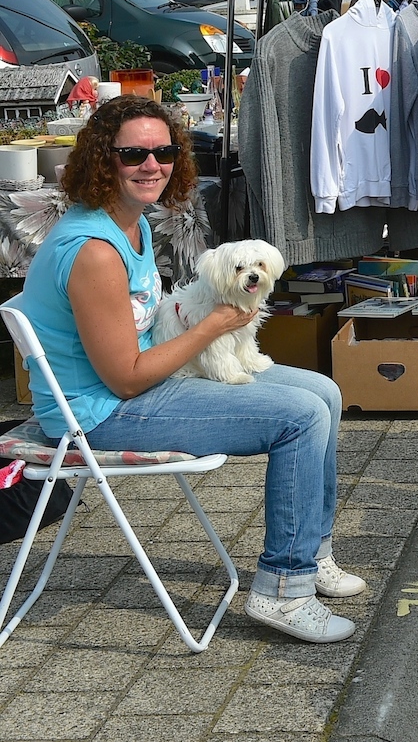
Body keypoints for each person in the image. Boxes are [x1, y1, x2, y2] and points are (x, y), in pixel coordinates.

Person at [16, 96, 363, 642]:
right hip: (102, 411)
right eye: (133, 154)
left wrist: (207, 331)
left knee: (324, 392)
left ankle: (311, 553)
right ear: (102, 161)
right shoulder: (94, 252)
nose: (151, 165)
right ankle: (283, 591)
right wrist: (212, 328)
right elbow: (125, 377)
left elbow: (153, 330)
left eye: (164, 151)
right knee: (299, 415)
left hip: (148, 382)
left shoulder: (131, 226)